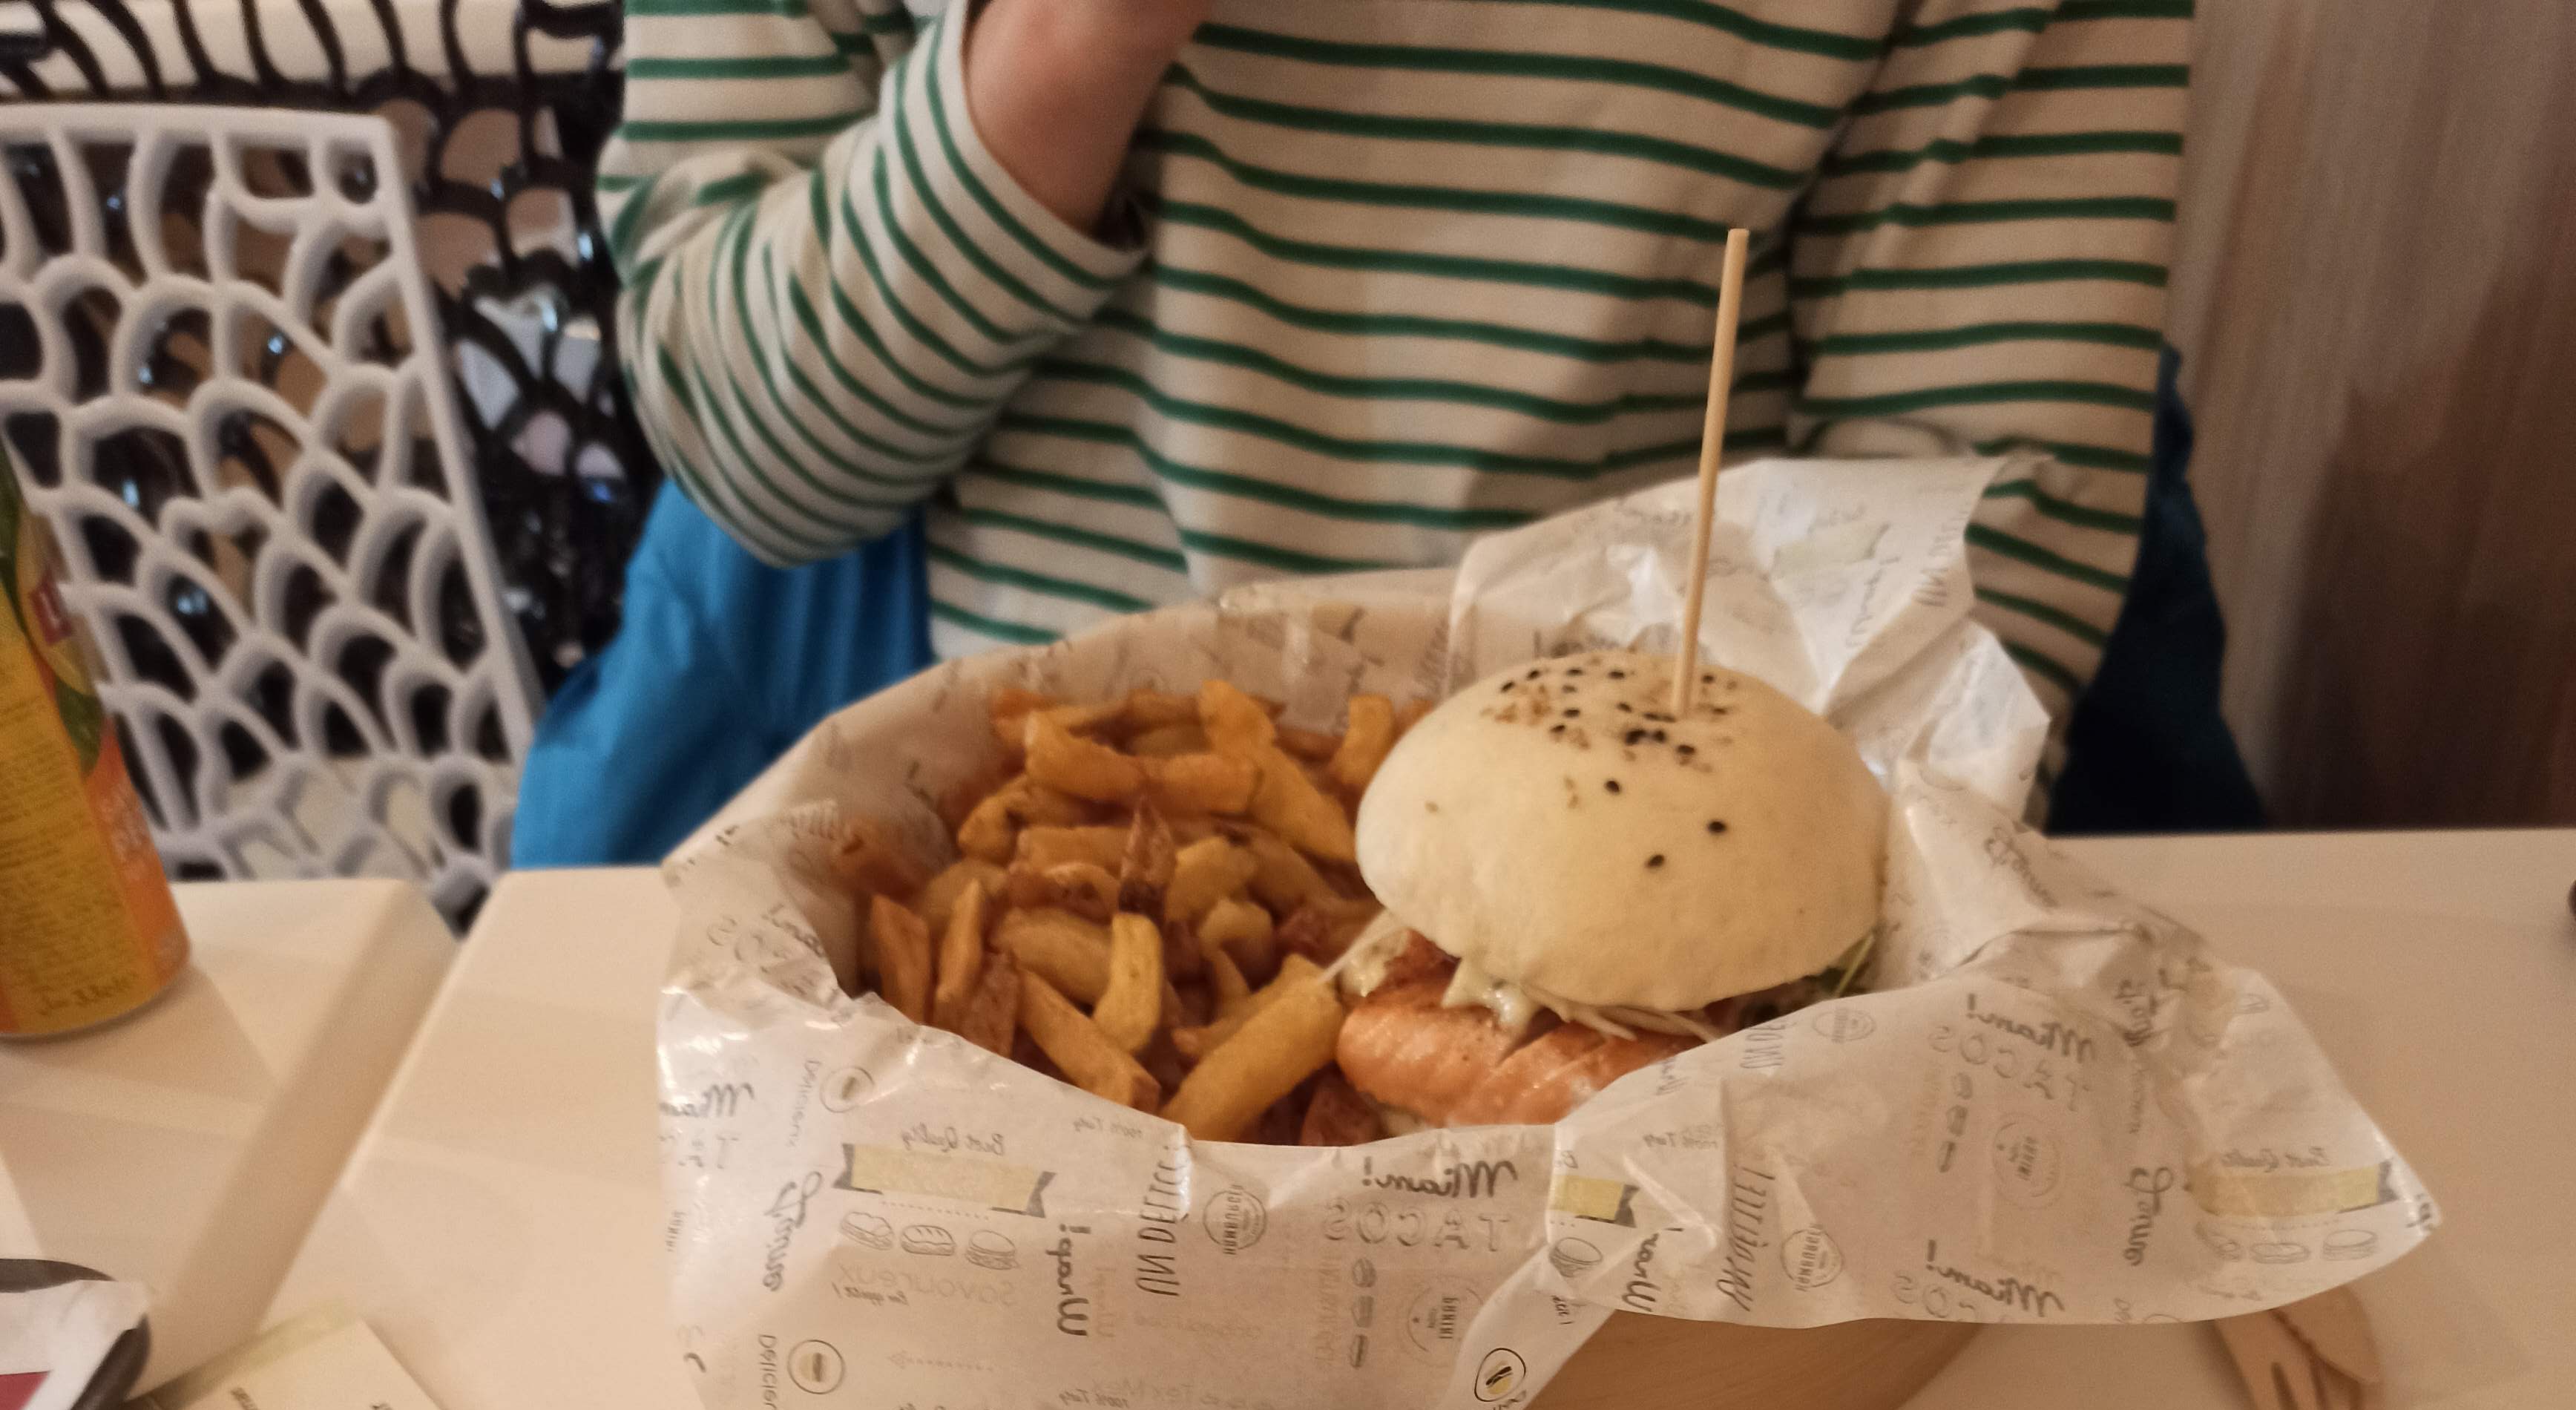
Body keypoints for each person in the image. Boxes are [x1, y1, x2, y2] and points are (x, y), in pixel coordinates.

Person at [513, 0, 2255, 862]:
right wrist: (1065, 42)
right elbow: (756, 460)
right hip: (1053, 852)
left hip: (1656, 856)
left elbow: (1965, 547)